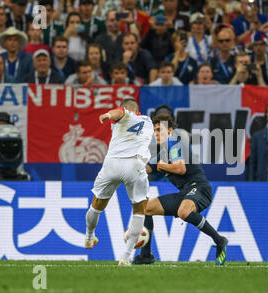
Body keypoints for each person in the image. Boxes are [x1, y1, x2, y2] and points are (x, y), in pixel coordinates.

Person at [133, 113, 229, 266]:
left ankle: (219, 240)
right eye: (155, 130)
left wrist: (163, 166)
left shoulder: (174, 143)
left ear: (170, 131)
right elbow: (146, 169)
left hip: (200, 188)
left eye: (160, 130)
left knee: (183, 212)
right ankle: (145, 256)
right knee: (146, 208)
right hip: (186, 192)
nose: (156, 134)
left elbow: (181, 168)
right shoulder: (160, 154)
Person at [85, 98, 154, 266]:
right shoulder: (148, 122)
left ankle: (89, 236)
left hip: (112, 164)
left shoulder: (126, 115)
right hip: (135, 165)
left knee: (97, 205)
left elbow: (120, 113)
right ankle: (125, 256)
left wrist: (108, 114)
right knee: (139, 210)